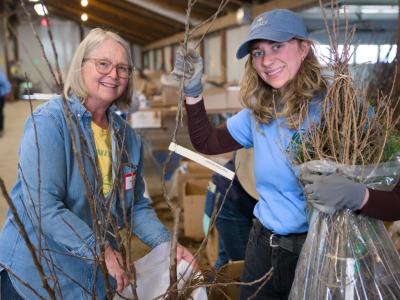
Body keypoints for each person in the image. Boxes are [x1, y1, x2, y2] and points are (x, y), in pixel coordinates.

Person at [173, 8, 400, 299]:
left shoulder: (344, 111)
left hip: (326, 254)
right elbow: (205, 142)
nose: (266, 61)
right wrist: (193, 92)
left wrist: (359, 196)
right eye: (257, 52)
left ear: (304, 49)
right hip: (263, 252)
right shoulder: (260, 113)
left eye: (277, 46)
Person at [0, 28, 193, 300]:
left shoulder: (126, 137)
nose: (113, 74)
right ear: (81, 66)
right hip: (36, 276)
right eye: (103, 64)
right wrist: (100, 250)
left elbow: (135, 206)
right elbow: (42, 206)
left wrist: (167, 245)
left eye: (122, 68)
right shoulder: (51, 124)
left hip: (88, 279)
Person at [203, 151, 257, 270]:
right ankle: (211, 287)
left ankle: (210, 287)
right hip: (230, 197)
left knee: (226, 259)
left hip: (227, 189)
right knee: (242, 264)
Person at [0, 69, 11, 137]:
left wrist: (7, 93)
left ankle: (1, 129)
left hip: (0, 97)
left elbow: (7, 85)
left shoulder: (1, 76)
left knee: (0, 112)